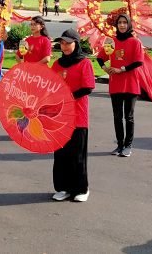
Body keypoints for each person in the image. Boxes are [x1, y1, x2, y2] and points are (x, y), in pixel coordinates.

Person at [50, 29, 95, 202]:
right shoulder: (57, 64)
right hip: (58, 116)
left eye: (68, 43)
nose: (65, 46)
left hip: (77, 116)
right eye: (62, 43)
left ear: (76, 43)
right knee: (61, 155)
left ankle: (81, 188)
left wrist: (68, 98)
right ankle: (63, 187)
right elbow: (50, 86)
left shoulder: (84, 63)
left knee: (77, 155)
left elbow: (87, 87)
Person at [96, 15, 144, 157]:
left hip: (130, 84)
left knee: (128, 116)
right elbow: (100, 57)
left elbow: (138, 62)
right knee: (117, 116)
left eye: (124, 23)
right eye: (119, 23)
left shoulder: (135, 42)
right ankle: (119, 145)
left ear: (129, 25)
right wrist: (105, 68)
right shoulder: (112, 41)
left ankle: (128, 146)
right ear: (116, 25)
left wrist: (121, 69)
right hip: (115, 84)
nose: (122, 25)